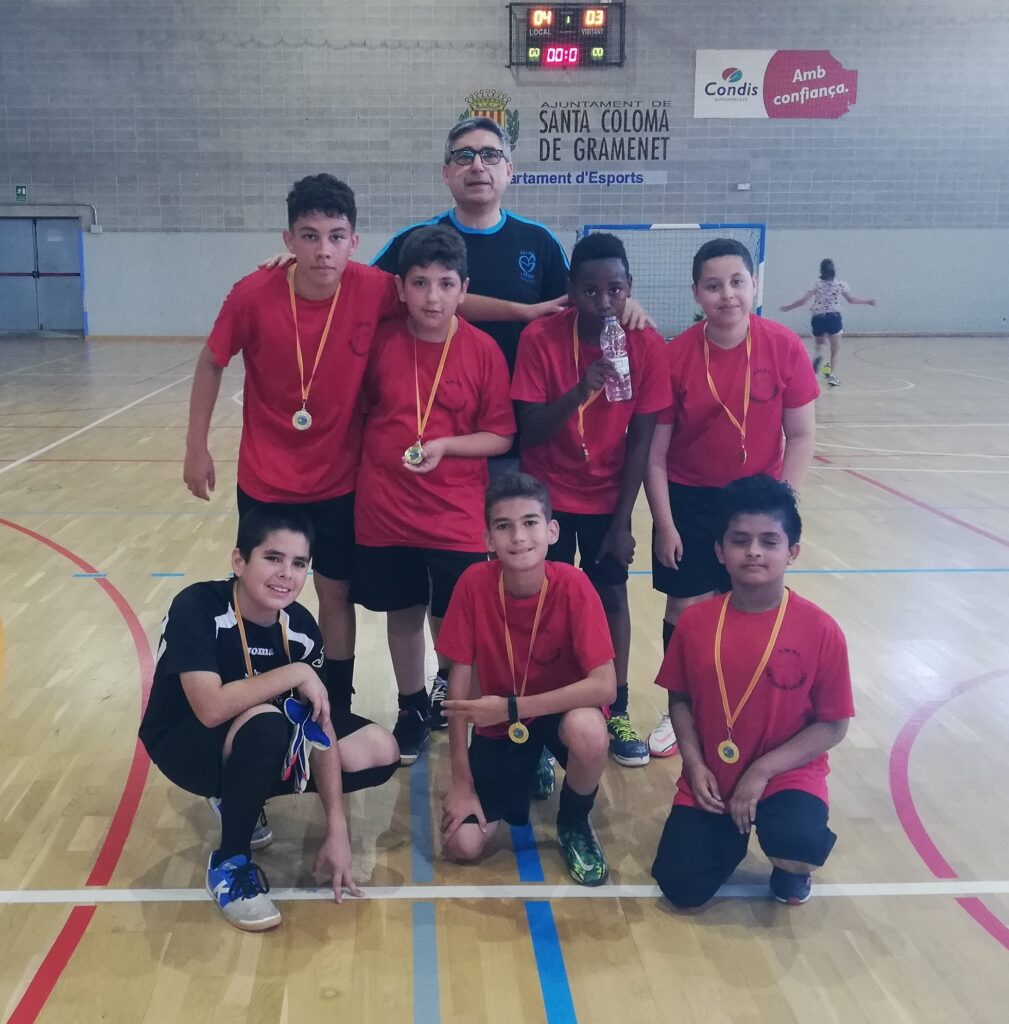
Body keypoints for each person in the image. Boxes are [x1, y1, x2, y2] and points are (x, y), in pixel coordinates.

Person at [183, 174, 402, 719]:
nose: (323, 250)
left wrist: (539, 310)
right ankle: (255, 701)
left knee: (334, 593)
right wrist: (196, 446)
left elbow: (441, 294)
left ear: (354, 241)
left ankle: (337, 705)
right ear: (288, 240)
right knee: (261, 592)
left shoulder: (374, 288)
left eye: (335, 236)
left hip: (338, 482)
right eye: (309, 236)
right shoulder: (253, 293)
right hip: (267, 480)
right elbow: (211, 361)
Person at [138, 507, 400, 931]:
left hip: (261, 734)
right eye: (273, 558)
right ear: (239, 561)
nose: (286, 574)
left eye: (299, 564)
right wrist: (295, 673)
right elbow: (210, 709)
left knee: (380, 749)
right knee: (267, 725)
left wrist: (337, 828)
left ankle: (244, 795)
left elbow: (318, 728)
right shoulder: (198, 606)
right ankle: (229, 862)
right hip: (186, 742)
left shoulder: (300, 627)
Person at [643, 238, 819, 760]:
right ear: (696, 293)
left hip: (755, 501)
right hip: (690, 499)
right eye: (714, 285)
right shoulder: (675, 356)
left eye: (737, 282)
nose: (727, 295)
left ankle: (743, 705)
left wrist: (781, 508)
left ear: (754, 284)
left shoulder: (783, 347)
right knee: (686, 607)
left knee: (753, 602)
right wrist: (666, 523)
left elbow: (801, 435)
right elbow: (655, 455)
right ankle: (681, 708)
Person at [650, 475, 854, 907]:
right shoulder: (695, 622)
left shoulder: (821, 629)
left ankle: (788, 862)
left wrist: (761, 772)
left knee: (798, 843)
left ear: (792, 551)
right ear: (720, 552)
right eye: (740, 541)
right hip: (715, 775)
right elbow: (680, 698)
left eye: (769, 541)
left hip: (785, 774)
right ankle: (731, 834)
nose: (754, 551)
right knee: (680, 887)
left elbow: (834, 724)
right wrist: (694, 764)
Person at [352, 226, 515, 764]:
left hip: (455, 515)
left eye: (446, 284)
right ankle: (411, 706)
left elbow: (501, 435)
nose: (432, 297)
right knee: (403, 612)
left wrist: (446, 446)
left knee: (454, 619)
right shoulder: (381, 342)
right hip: (386, 511)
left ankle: (449, 688)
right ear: (400, 288)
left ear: (463, 289)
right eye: (420, 283)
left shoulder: (483, 350)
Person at [511, 232, 671, 768]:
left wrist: (623, 521)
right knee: (544, 605)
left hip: (608, 498)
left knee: (611, 599)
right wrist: (581, 390)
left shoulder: (645, 345)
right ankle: (540, 720)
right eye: (590, 291)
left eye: (615, 290)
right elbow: (530, 430)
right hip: (547, 495)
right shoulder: (539, 338)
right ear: (570, 290)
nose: (604, 302)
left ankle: (615, 707)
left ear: (630, 288)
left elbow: (642, 439)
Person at [437, 473, 616, 885]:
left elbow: (604, 685)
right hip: (501, 725)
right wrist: (461, 781)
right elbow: (458, 692)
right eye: (504, 526)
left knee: (589, 731)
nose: (518, 537)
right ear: (488, 538)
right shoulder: (472, 584)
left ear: (552, 531)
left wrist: (512, 707)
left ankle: (574, 822)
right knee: (463, 845)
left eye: (530, 522)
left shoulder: (574, 584)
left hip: (548, 714)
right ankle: (533, 760)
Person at [780, 258, 877, 387]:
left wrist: (788, 307)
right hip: (833, 318)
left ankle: (818, 356)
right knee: (835, 350)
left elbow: (803, 301)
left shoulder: (816, 284)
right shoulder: (840, 285)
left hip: (818, 318)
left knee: (820, 344)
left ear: (821, 271)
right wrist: (867, 302)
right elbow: (851, 300)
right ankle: (832, 376)